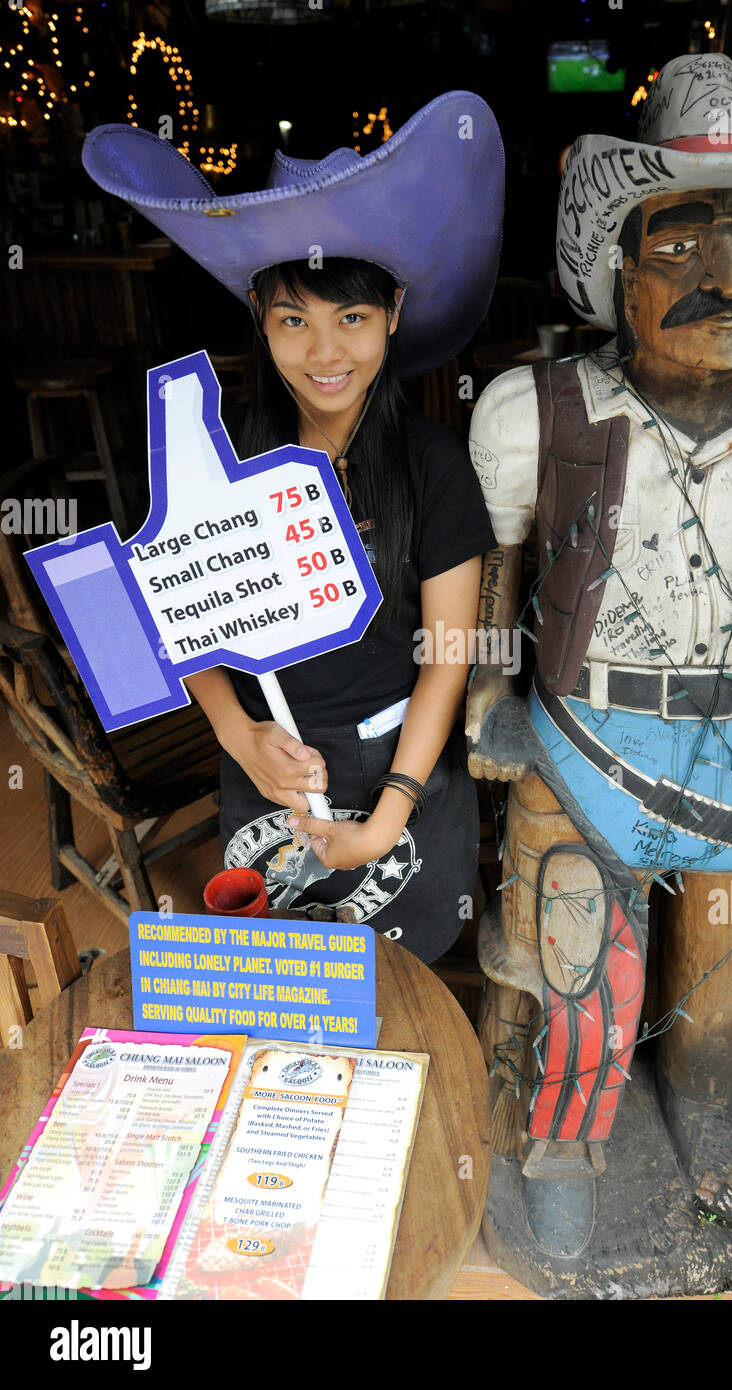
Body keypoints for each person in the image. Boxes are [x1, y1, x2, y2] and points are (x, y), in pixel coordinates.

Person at [466, 52, 732, 1269]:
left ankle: (699, 1108)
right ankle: (563, 1145)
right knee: (585, 983)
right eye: (680, 244)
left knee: (720, 1001)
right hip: (585, 742)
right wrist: (489, 688)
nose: (726, 279)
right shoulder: (535, 412)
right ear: (615, 266)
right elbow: (492, 564)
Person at [82, 93, 504, 961]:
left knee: (399, 989)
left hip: (402, 770)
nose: (325, 354)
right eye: (292, 320)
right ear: (259, 316)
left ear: (392, 311)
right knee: (285, 986)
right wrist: (239, 736)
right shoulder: (214, 455)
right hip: (266, 769)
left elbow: (447, 657)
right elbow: (178, 619)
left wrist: (385, 820)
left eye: (351, 317)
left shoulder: (431, 462)